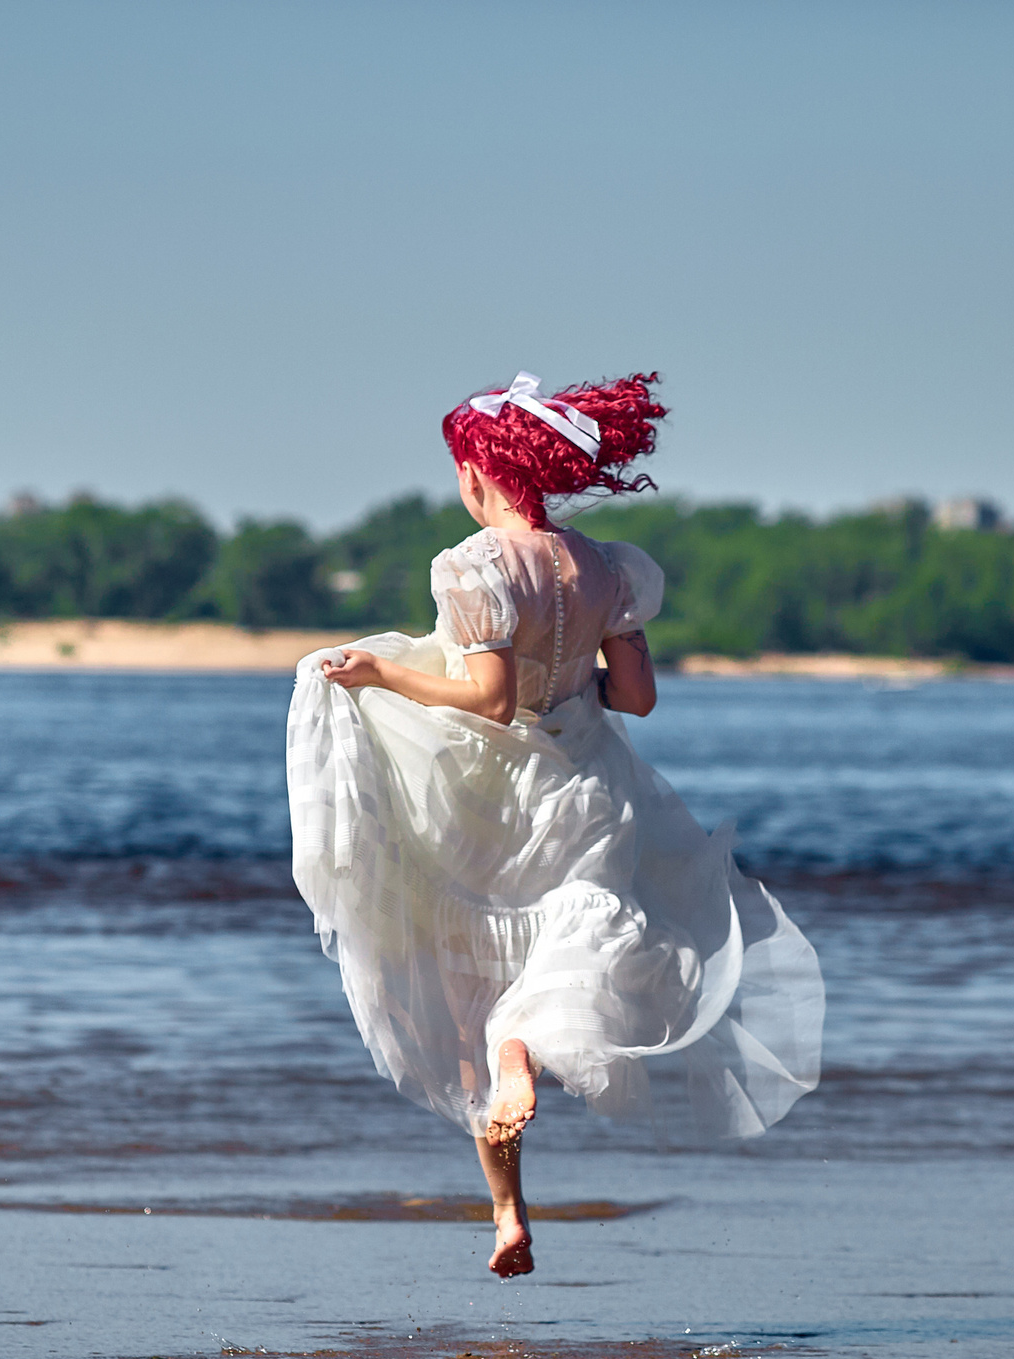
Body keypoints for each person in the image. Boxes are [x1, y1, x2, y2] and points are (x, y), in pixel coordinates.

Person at [287, 372, 823, 1277]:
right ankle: (522, 1077)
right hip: (589, 786)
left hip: (490, 804)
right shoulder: (610, 568)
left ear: (477, 475)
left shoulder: (473, 565)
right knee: (575, 940)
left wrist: (382, 679)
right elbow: (640, 699)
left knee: (464, 1007)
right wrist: (580, 680)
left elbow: (489, 702)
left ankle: (507, 1206)